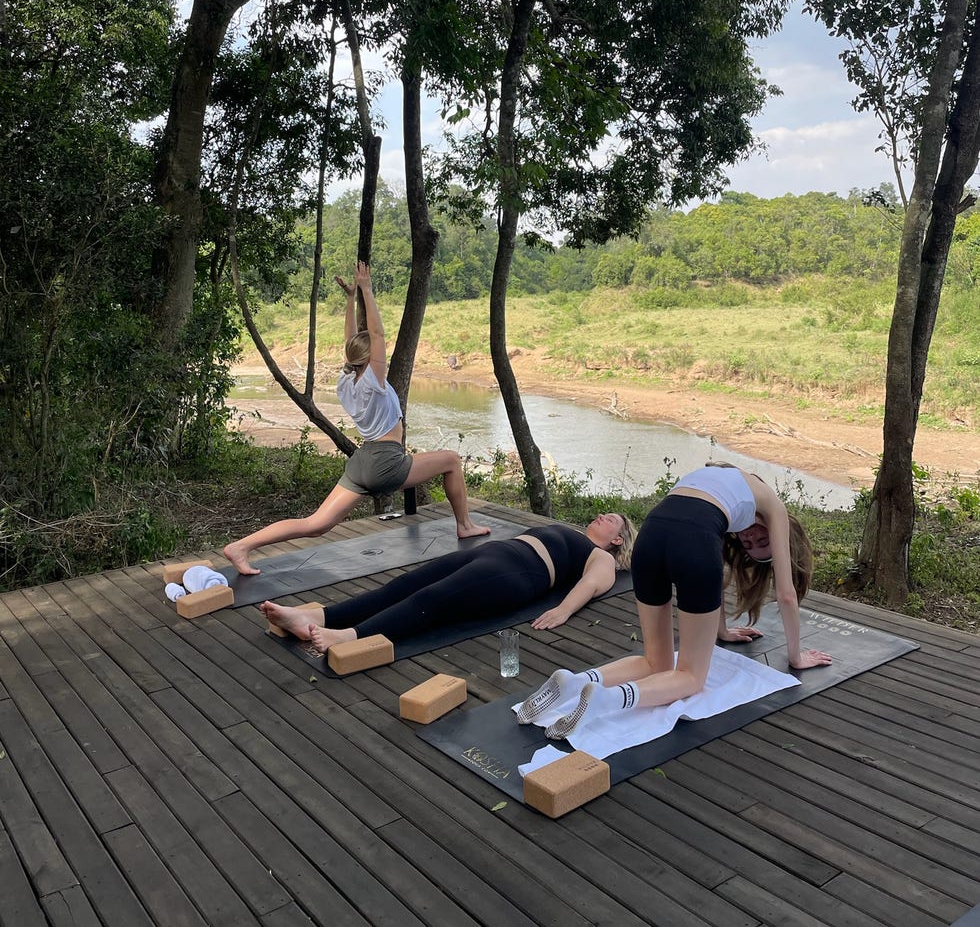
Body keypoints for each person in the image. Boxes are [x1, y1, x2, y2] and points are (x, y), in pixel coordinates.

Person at [516, 463, 831, 737]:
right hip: (689, 541)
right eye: (759, 539)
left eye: (755, 545)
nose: (750, 538)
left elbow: (713, 579)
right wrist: (796, 657)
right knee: (691, 677)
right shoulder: (774, 506)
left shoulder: (727, 480)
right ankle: (607, 699)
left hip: (651, 535)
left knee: (657, 662)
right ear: (785, 538)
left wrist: (720, 632)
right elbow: (786, 595)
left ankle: (576, 682)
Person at [224, 261, 490, 575]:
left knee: (316, 524)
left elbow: (353, 342)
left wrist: (350, 300)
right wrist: (366, 289)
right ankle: (465, 525)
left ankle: (241, 546)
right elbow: (376, 333)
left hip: (361, 462)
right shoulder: (373, 382)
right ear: (371, 357)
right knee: (452, 460)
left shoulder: (346, 380)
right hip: (385, 462)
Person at [258, 511, 637, 652]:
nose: (604, 516)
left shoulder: (603, 558)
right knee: (402, 585)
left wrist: (563, 611)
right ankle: (321, 617)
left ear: (618, 539)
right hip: (495, 554)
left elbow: (590, 585)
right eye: (604, 513)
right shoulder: (571, 530)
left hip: (518, 574)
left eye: (612, 520)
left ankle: (351, 637)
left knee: (433, 598)